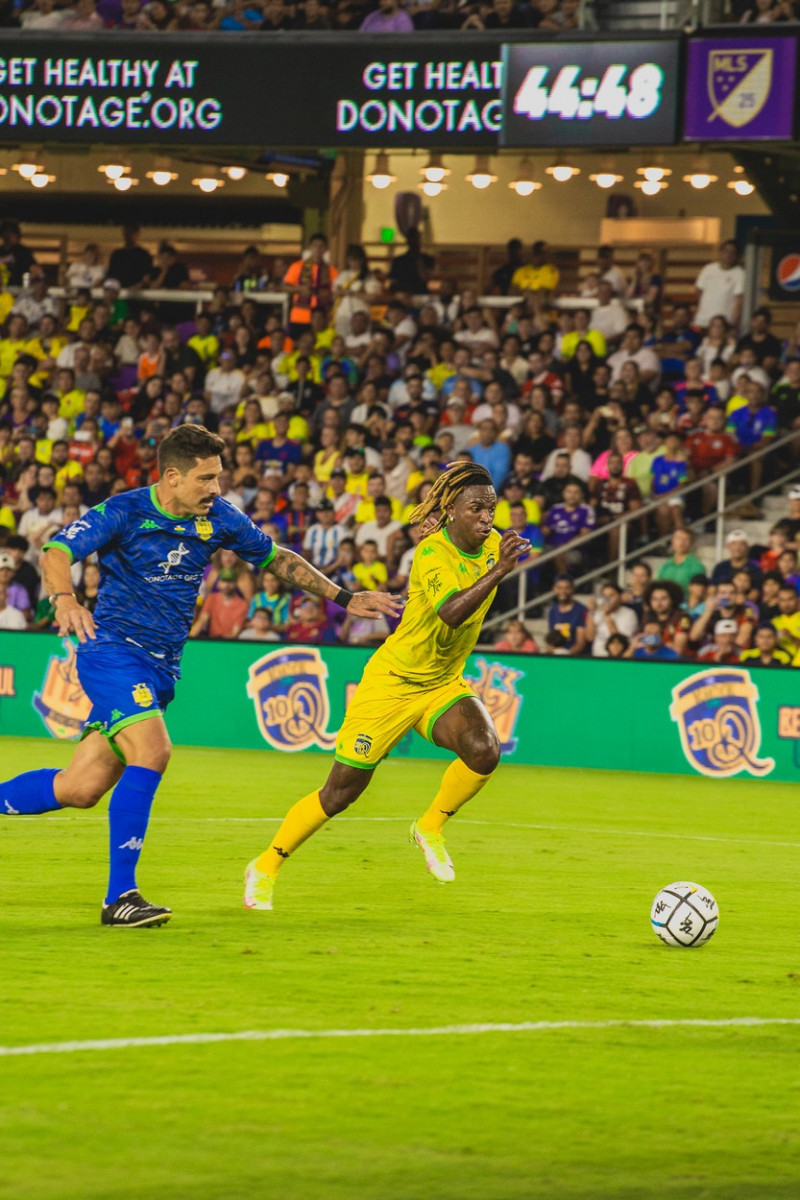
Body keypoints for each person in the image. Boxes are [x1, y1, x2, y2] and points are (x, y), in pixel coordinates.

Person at [0, 425, 400, 928]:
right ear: (172, 477)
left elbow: (277, 559)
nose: (216, 489)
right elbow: (56, 552)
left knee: (80, 787)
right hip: (114, 653)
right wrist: (64, 597)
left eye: (219, 478)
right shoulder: (124, 511)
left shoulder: (219, 518)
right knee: (154, 750)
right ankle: (120, 897)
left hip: (161, 668)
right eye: (206, 478)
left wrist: (345, 597)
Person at [243, 462, 531, 912]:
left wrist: (500, 561)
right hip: (392, 682)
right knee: (341, 793)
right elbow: (451, 611)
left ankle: (429, 827)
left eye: (491, 508)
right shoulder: (433, 553)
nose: (486, 517)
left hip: (440, 683)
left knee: (484, 749)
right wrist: (500, 572)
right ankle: (265, 866)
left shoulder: (495, 544)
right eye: (476, 508)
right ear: (452, 511)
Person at [694, 240, 744, 332]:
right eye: (726, 251)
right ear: (720, 252)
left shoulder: (740, 273)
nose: (728, 255)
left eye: (732, 252)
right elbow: (699, 291)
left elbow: (739, 301)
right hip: (703, 320)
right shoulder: (708, 269)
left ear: (737, 255)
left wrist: (733, 325)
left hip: (723, 324)